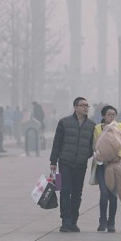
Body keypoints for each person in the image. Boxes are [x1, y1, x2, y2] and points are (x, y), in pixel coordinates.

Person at [50, 97, 96, 233]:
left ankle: (74, 221)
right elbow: (57, 142)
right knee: (65, 191)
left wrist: (86, 154)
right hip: (65, 163)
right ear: (75, 107)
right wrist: (53, 161)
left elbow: (92, 145)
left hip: (81, 164)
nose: (86, 108)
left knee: (77, 193)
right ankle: (65, 221)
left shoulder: (92, 125)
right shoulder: (64, 122)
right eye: (83, 105)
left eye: (87, 105)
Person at [93, 105, 121, 232]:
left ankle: (111, 222)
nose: (111, 117)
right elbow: (95, 144)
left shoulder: (120, 127)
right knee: (104, 193)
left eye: (114, 114)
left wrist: (119, 156)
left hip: (115, 166)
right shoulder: (97, 128)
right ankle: (102, 220)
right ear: (103, 116)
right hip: (102, 166)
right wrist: (98, 154)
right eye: (109, 114)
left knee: (113, 195)